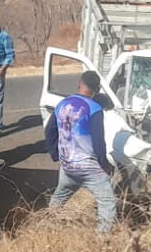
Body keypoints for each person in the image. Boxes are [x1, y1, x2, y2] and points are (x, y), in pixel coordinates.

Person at [45, 70, 116, 233]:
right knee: (107, 201)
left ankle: (49, 228)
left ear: (79, 84)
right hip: (87, 166)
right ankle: (102, 240)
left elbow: (50, 131)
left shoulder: (62, 104)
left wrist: (56, 155)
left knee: (60, 196)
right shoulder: (94, 108)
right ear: (96, 90)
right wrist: (104, 165)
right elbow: (98, 141)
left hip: (67, 165)